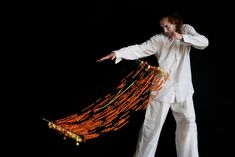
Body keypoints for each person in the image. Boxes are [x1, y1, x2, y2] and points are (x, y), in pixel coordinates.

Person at [96, 11, 209, 157]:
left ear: (175, 23)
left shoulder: (186, 30)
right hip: (162, 90)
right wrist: (118, 53)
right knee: (150, 128)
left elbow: (204, 42)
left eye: (167, 26)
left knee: (188, 124)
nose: (164, 30)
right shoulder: (158, 39)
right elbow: (140, 49)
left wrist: (182, 38)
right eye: (162, 27)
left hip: (184, 89)